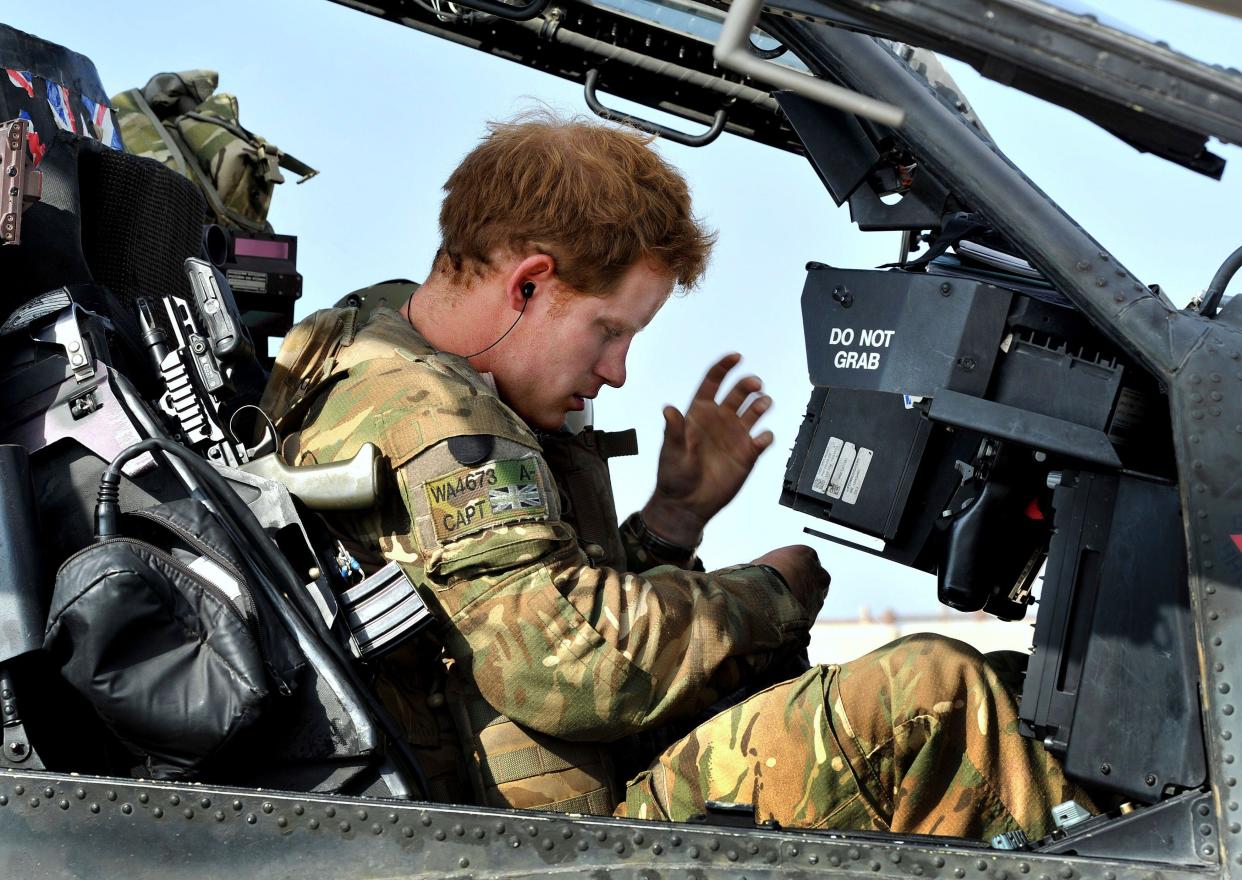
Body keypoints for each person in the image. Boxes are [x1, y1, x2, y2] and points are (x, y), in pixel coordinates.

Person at [261, 112, 1093, 839]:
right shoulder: (431, 416)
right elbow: (567, 667)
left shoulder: (372, 337)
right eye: (608, 331)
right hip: (550, 845)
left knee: (1012, 695)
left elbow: (504, 611)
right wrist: (771, 593)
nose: (618, 371)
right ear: (529, 283)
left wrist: (672, 520)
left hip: (537, 811)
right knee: (932, 694)